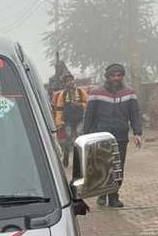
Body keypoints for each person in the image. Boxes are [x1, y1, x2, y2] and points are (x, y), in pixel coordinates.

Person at [82, 63, 142, 208]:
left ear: (123, 76)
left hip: (120, 136)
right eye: (113, 75)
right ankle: (102, 193)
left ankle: (114, 197)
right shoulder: (96, 93)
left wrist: (137, 132)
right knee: (103, 166)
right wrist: (85, 135)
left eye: (119, 75)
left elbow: (135, 113)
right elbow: (89, 115)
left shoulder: (129, 93)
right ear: (107, 76)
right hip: (101, 135)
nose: (116, 78)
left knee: (118, 167)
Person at [53, 73, 88, 166]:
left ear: (74, 80)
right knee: (68, 138)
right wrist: (58, 122)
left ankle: (80, 158)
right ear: (64, 83)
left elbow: (88, 103)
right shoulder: (62, 95)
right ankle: (66, 154)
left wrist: (80, 105)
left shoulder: (81, 92)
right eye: (67, 81)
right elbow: (59, 109)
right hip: (68, 120)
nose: (70, 82)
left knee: (79, 136)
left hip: (80, 119)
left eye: (71, 80)